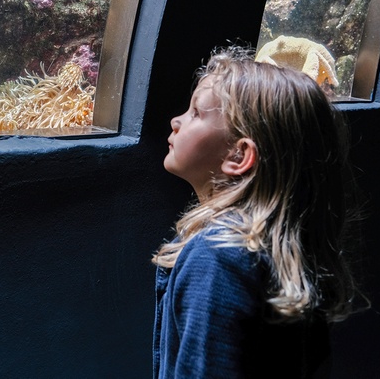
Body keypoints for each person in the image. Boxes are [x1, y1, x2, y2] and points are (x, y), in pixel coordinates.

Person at [152, 45, 367, 378]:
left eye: (195, 113)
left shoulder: (218, 257)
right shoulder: (279, 243)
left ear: (239, 156)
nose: (176, 121)